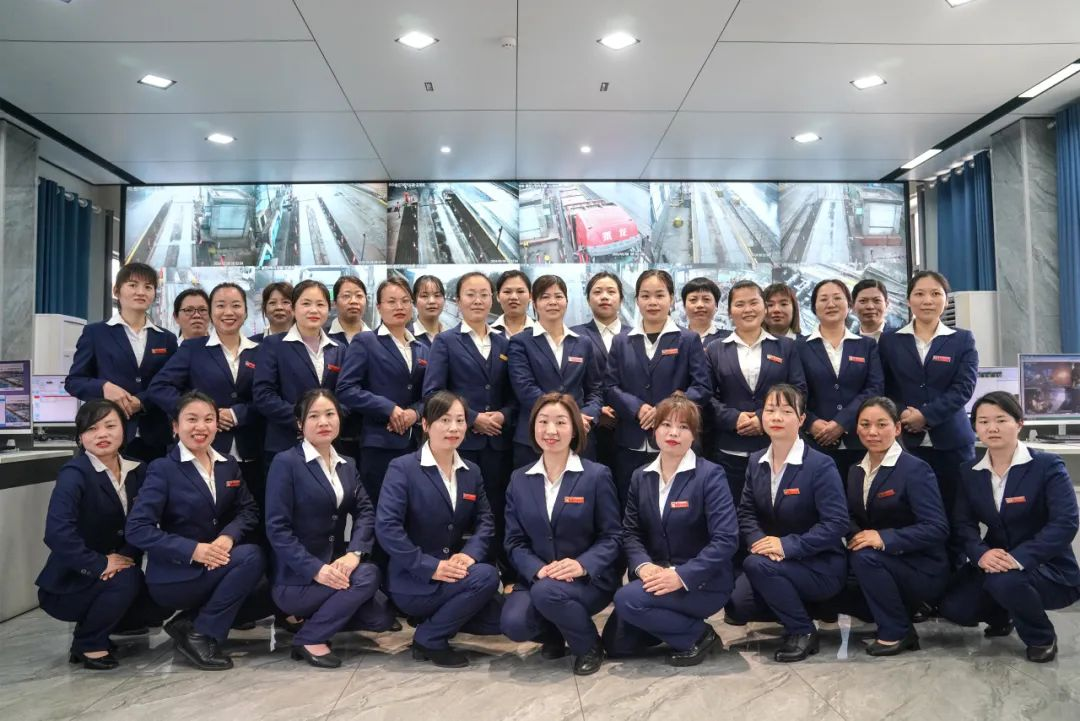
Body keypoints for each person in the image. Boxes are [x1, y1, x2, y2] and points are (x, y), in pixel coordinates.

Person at [126, 392, 267, 670]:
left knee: (270, 587)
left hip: (217, 563)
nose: (200, 427)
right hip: (175, 574)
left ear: (217, 425)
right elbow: (138, 529)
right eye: (191, 419)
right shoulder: (163, 469)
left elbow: (248, 510)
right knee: (251, 556)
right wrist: (193, 550)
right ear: (175, 426)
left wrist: (228, 536)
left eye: (208, 419)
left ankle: (190, 624)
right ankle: (202, 634)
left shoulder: (228, 465)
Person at [939, 391, 1080, 663]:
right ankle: (1004, 615)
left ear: (1019, 423)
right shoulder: (970, 471)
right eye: (983, 421)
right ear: (975, 426)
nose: (992, 428)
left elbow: (1065, 523)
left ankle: (1041, 637)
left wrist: (1018, 558)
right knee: (954, 608)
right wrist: (981, 554)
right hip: (994, 560)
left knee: (1004, 581)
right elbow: (963, 524)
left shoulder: (1046, 466)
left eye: (1001, 420)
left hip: (1047, 566)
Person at [603, 392, 738, 667]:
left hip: (701, 581)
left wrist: (681, 575)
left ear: (694, 434)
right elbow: (631, 532)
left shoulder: (710, 475)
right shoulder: (641, 476)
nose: (673, 433)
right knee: (617, 644)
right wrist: (643, 566)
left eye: (683, 427)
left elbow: (726, 540)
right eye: (666, 424)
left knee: (627, 600)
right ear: (654, 430)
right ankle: (676, 623)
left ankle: (699, 635)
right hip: (657, 577)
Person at [264, 389, 395, 668]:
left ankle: (310, 619)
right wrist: (316, 569)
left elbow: (366, 512)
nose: (323, 422)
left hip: (337, 569)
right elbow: (278, 529)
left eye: (329, 414)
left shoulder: (347, 464)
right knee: (369, 575)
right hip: (297, 579)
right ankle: (309, 639)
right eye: (314, 416)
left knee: (380, 617)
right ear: (300, 423)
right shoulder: (286, 463)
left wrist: (354, 553)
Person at [36, 400, 168, 669]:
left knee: (159, 603)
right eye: (92, 429)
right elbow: (57, 533)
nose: (102, 434)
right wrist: (100, 564)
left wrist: (123, 558)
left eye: (110, 426)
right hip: (70, 582)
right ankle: (88, 644)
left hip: (120, 570)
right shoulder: (74, 474)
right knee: (127, 579)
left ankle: (101, 623)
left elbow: (143, 524)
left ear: (124, 430)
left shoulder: (138, 470)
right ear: (80, 437)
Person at [375, 391, 504, 668]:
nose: (453, 428)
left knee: (502, 620)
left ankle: (432, 619)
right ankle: (429, 638)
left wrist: (469, 554)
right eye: (445, 420)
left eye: (460, 420)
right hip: (413, 579)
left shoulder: (471, 471)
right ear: (425, 424)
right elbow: (387, 528)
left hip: (455, 573)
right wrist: (429, 567)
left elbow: (485, 521)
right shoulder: (403, 468)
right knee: (487, 576)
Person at [726, 384, 848, 662]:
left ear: (802, 419)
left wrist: (786, 546)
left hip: (819, 563)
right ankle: (800, 606)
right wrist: (761, 543)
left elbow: (836, 523)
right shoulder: (756, 461)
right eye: (770, 410)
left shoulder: (820, 465)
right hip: (772, 560)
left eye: (786, 411)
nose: (777, 417)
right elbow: (746, 512)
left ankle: (802, 630)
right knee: (738, 604)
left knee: (754, 566)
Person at [501, 393, 621, 675]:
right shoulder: (519, 479)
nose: (551, 430)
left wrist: (582, 565)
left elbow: (613, 536)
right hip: (539, 578)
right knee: (514, 624)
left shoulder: (596, 475)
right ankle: (556, 630)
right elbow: (514, 541)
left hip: (588, 580)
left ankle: (589, 645)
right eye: (543, 422)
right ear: (533, 427)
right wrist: (538, 570)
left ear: (575, 429)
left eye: (560, 422)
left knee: (548, 593)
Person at [423, 271, 516, 585]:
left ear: (493, 299)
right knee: (459, 512)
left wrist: (502, 415)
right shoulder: (446, 341)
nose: (478, 301)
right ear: (457, 300)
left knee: (496, 511)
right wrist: (473, 417)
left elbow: (514, 394)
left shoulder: (505, 342)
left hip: (499, 444)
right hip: (461, 444)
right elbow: (434, 393)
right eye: (470, 294)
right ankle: (456, 576)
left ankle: (492, 575)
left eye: (484, 294)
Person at [842, 397, 949, 656]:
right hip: (883, 562)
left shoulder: (915, 469)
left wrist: (883, 538)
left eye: (882, 424)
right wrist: (856, 535)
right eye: (865, 424)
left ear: (897, 428)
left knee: (865, 558)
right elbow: (852, 516)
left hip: (921, 566)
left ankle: (897, 632)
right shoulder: (855, 470)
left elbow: (937, 528)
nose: (872, 432)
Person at [605, 269, 712, 510]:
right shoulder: (621, 341)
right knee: (632, 508)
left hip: (677, 442)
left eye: (660, 295)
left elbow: (702, 387)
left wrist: (665, 411)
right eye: (645, 296)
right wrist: (637, 408)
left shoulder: (688, 340)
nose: (652, 302)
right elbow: (610, 387)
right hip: (631, 443)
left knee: (676, 509)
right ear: (637, 301)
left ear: (671, 299)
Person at [148, 283, 263, 504]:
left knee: (251, 513)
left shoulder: (261, 351)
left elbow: (267, 395)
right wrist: (202, 414)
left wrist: (237, 414)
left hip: (252, 451)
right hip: (201, 448)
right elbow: (159, 387)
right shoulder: (193, 348)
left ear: (246, 311)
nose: (228, 312)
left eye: (236, 305)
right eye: (220, 305)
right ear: (211, 312)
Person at [879, 270, 978, 521]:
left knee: (957, 513)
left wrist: (925, 416)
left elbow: (963, 388)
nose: (927, 301)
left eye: (935, 294)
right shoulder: (890, 340)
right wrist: (902, 412)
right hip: (905, 441)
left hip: (952, 442)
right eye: (920, 294)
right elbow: (883, 387)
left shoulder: (962, 340)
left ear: (946, 299)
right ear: (908, 300)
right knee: (910, 512)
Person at [65, 262, 178, 463]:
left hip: (155, 437)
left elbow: (172, 384)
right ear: (116, 291)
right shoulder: (96, 333)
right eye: (132, 285)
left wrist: (142, 401)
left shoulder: (166, 339)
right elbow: (74, 381)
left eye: (148, 287)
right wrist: (104, 387)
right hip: (106, 435)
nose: (140, 292)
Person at [705, 280, 806, 503]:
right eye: (739, 304)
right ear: (729, 311)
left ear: (764, 308)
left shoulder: (785, 347)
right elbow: (706, 395)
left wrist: (763, 418)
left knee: (777, 509)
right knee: (731, 510)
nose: (747, 309)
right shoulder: (715, 349)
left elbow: (797, 390)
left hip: (776, 446)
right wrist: (734, 418)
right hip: (729, 449)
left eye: (754, 302)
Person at [337, 277, 427, 506]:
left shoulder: (422, 347)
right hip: (379, 443)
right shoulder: (366, 341)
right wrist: (388, 408)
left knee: (412, 509)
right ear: (378, 307)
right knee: (380, 508)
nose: (399, 307)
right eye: (391, 301)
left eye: (405, 301)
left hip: (416, 444)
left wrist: (415, 413)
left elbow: (430, 394)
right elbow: (346, 389)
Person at [508, 274, 603, 469]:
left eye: (558, 296)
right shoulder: (520, 342)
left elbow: (595, 389)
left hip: (579, 435)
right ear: (534, 303)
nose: (553, 302)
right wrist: (568, 416)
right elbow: (524, 388)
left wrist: (586, 416)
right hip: (534, 438)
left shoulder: (583, 343)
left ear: (566, 301)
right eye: (545, 297)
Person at [797, 279, 883, 482]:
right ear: (814, 307)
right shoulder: (799, 347)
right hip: (815, 441)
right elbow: (795, 391)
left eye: (837, 298)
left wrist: (842, 422)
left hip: (861, 440)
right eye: (823, 299)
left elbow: (874, 388)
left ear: (849, 305)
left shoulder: (866, 346)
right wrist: (811, 423)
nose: (831, 304)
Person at [253, 280, 345, 468]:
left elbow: (346, 394)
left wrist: (328, 420)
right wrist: (304, 420)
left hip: (329, 444)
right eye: (306, 304)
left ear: (329, 309)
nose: (313, 310)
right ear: (293, 309)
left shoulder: (339, 349)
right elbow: (264, 395)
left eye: (320, 304)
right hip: (285, 443)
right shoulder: (273, 345)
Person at [571, 271, 629, 473]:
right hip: (587, 426)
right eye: (597, 292)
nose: (604, 297)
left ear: (621, 299)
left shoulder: (636, 336)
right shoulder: (574, 335)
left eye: (611, 292)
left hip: (629, 426)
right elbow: (572, 380)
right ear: (588, 299)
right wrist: (596, 411)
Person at [682, 277, 729, 345]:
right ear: (684, 306)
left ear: (716, 305)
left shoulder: (728, 339)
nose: (700, 305)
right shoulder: (674, 339)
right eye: (693, 299)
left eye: (706, 299)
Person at [492, 269, 535, 337]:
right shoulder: (487, 331)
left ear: (530, 296)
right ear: (498, 296)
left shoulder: (541, 331)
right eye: (507, 292)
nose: (514, 297)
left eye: (520, 291)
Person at [328, 276, 370, 345]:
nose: (353, 301)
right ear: (335, 303)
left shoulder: (376, 339)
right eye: (346, 296)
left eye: (359, 296)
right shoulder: (322, 337)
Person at [410, 274, 446, 347]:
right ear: (414, 302)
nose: (432, 301)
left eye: (437, 295)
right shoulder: (406, 337)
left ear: (444, 300)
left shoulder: (452, 337)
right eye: (424, 296)